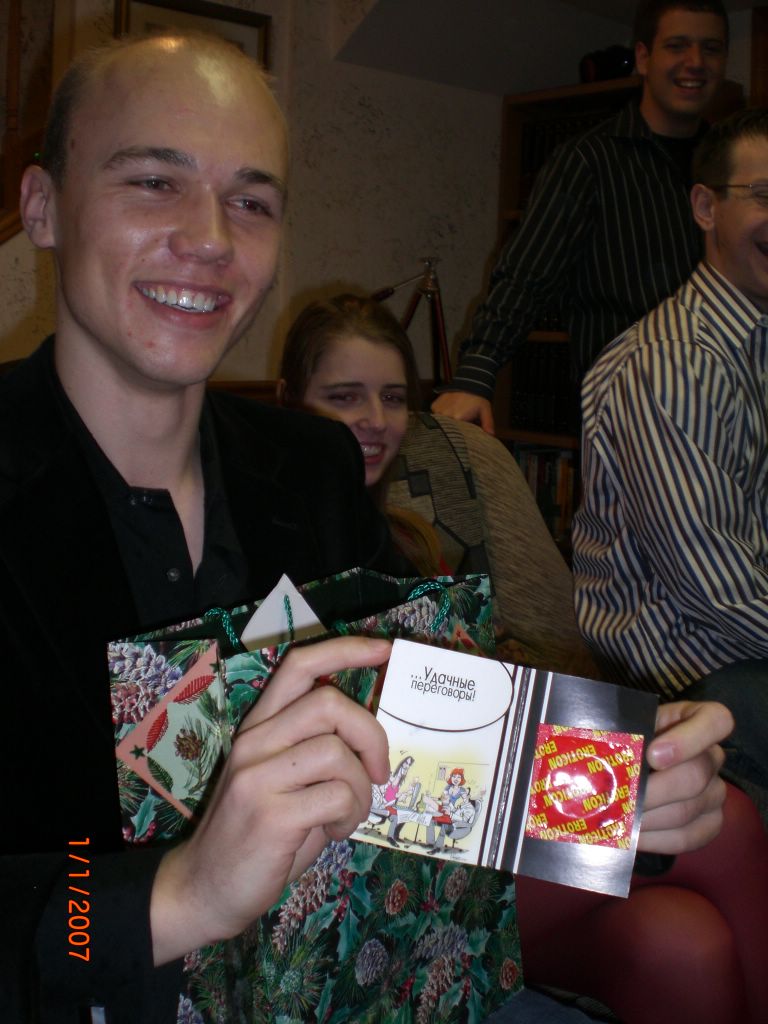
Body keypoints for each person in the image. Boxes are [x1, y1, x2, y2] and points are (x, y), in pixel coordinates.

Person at [0, 29, 733, 1024]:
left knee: (703, 874)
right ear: (42, 206)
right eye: (154, 182)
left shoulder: (309, 466)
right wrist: (177, 896)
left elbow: (420, 733)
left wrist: (621, 791)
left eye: (251, 200)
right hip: (102, 993)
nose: (211, 237)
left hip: (349, 979)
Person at [572, 107, 768, 824]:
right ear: (706, 207)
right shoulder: (675, 364)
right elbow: (716, 588)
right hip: (683, 693)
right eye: (764, 195)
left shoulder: (752, 347)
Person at [432, 0, 729, 434]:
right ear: (643, 57)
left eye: (711, 48)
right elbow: (526, 277)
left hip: (730, 406)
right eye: (677, 45)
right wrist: (475, 375)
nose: (696, 62)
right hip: (631, 419)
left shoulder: (734, 166)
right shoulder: (588, 161)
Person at [278, 292, 444, 574]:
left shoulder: (413, 544)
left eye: (392, 398)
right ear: (287, 401)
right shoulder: (244, 549)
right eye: (345, 397)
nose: (377, 421)